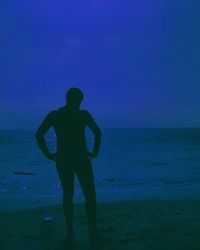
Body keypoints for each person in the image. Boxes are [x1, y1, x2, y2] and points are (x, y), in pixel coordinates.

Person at [35, 87, 108, 248]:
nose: (79, 103)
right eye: (79, 100)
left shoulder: (56, 115)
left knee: (69, 195)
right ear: (78, 99)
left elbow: (39, 134)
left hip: (64, 159)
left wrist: (48, 154)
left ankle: (73, 233)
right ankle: (90, 234)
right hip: (80, 158)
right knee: (88, 195)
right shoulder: (82, 115)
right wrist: (94, 152)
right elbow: (97, 132)